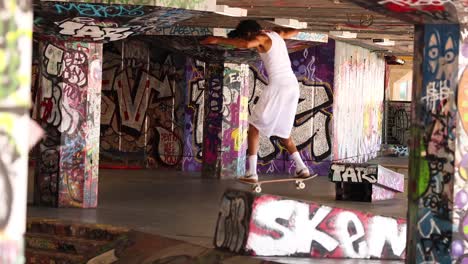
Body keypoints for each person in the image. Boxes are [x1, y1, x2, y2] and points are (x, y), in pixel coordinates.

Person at [200, 20, 310, 182]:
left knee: (253, 128)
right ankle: (302, 168)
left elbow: (246, 44)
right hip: (292, 86)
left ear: (249, 33)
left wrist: (217, 40)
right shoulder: (277, 35)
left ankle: (251, 173)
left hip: (278, 86)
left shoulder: (261, 37)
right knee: (283, 132)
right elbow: (294, 31)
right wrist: (280, 28)